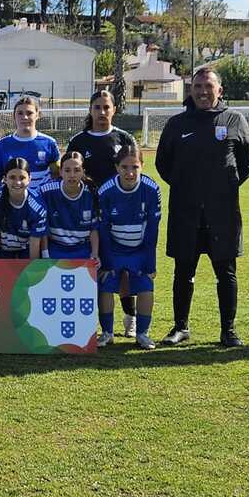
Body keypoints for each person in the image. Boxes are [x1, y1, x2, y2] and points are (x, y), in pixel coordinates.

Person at [155, 66, 249, 347]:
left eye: (208, 86)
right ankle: (180, 327)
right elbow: (163, 163)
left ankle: (228, 330)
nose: (202, 92)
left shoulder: (234, 120)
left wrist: (224, 185)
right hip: (185, 212)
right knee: (183, 272)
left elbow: (248, 161)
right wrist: (187, 187)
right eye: (197, 86)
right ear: (191, 90)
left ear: (219, 90)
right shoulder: (177, 124)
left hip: (222, 213)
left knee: (226, 272)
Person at [66, 89, 139, 336]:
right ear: (90, 110)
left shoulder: (124, 138)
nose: (102, 112)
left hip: (119, 213)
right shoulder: (79, 141)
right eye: (97, 107)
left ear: (114, 109)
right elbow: (69, 173)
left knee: (123, 267)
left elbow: (135, 173)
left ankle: (130, 316)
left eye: (106, 107)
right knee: (94, 266)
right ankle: (95, 323)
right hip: (86, 214)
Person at [97, 145, 161, 350]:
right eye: (124, 167)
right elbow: (103, 230)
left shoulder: (151, 189)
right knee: (106, 285)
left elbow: (153, 229)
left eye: (135, 167)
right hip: (114, 248)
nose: (130, 172)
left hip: (140, 249)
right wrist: (107, 262)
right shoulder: (106, 190)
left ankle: (142, 334)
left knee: (145, 286)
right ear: (117, 167)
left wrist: (149, 264)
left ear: (142, 165)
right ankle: (107, 333)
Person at [42, 150, 99, 264]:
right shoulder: (46, 191)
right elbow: (41, 225)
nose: (72, 175)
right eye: (67, 170)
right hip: (55, 248)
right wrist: (45, 254)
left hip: (82, 248)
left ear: (83, 172)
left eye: (77, 170)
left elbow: (94, 229)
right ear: (60, 172)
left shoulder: (92, 193)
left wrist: (94, 254)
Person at [0, 96, 60, 188]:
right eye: (20, 113)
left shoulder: (49, 143)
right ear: (14, 116)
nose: (25, 117)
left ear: (37, 115)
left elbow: (57, 175)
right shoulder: (1, 145)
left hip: (42, 196)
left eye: (29, 113)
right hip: (12, 196)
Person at [0, 156, 46, 259]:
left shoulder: (38, 207)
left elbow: (34, 245)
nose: (17, 182)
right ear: (5, 179)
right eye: (12, 177)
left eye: (22, 178)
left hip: (26, 249)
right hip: (2, 249)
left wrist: (31, 268)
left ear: (29, 179)